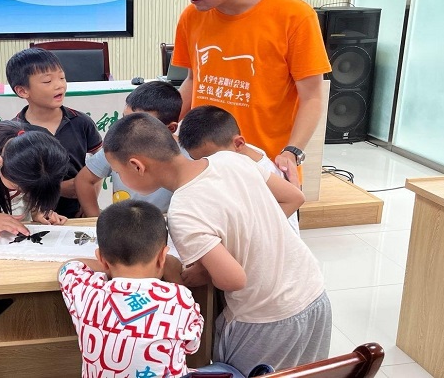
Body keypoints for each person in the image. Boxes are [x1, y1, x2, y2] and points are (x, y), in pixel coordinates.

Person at [103, 113, 331, 376]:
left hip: (266, 318)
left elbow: (233, 279)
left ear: (137, 166)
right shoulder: (231, 159)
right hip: (314, 294)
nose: (119, 177)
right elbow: (293, 196)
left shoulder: (183, 211)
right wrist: (255, 234)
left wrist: (205, 270)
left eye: (118, 172)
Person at [168, 0, 331, 180]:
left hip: (265, 168)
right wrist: (164, 128)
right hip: (204, 166)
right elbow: (193, 80)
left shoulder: (294, 16)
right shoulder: (192, 17)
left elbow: (312, 97)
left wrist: (292, 152)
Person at [58, 200, 206, 378]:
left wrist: (108, 265)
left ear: (101, 258)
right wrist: (175, 277)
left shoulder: (87, 292)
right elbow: (192, 346)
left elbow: (69, 267)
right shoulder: (180, 298)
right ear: (162, 257)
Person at [8, 48, 103, 218]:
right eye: (47, 81)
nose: (59, 85)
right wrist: (57, 188)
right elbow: (15, 182)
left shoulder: (81, 122)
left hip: (79, 213)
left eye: (62, 77)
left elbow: (100, 163)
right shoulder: (15, 132)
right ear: (22, 91)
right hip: (35, 217)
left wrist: (89, 200)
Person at [178, 105, 300, 235]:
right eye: (197, 160)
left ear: (238, 144)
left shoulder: (261, 176)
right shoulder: (238, 152)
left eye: (212, 159)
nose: (206, 166)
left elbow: (274, 232)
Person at [75, 80, 182, 216]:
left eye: (140, 123)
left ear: (170, 128)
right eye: (124, 119)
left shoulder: (185, 156)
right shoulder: (117, 147)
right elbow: (84, 180)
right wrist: (94, 218)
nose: (127, 129)